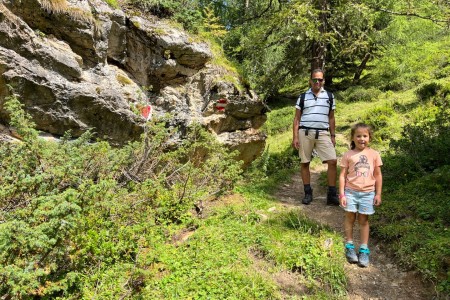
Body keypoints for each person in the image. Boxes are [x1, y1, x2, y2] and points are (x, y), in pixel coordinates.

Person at [292, 69, 339, 206]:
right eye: (314, 79)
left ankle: (331, 194)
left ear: (323, 81)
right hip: (305, 133)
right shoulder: (302, 97)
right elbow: (297, 119)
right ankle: (307, 193)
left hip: (323, 133)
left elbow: (331, 117)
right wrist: (295, 137)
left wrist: (333, 135)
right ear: (310, 81)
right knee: (305, 162)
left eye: (320, 79)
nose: (317, 82)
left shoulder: (330, 96)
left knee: (332, 161)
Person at [339, 123, 383, 267]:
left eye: (365, 136)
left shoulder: (374, 154)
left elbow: (378, 175)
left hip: (367, 193)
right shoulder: (348, 155)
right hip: (350, 192)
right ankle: (349, 246)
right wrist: (342, 194)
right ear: (352, 137)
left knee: (363, 220)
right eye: (358, 136)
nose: (361, 138)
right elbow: (342, 176)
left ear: (370, 137)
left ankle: (364, 249)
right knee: (350, 217)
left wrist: (378, 194)